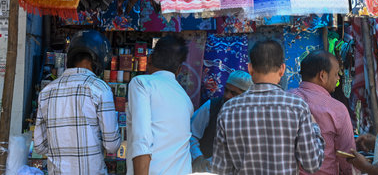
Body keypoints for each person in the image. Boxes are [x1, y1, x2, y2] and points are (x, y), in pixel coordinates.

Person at [212, 39, 325, 174]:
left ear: (250, 68)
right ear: (282, 69)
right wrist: (314, 127)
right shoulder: (297, 107)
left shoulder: (228, 109)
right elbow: (311, 164)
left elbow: (220, 169)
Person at [34, 30, 121, 175]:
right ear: (98, 59)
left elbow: (39, 146)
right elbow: (112, 146)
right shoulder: (100, 89)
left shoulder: (46, 91)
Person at [126, 35, 193, 175]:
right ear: (179, 69)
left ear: (149, 59)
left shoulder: (142, 84)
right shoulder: (186, 99)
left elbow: (142, 140)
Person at [290, 50, 357, 175]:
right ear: (322, 76)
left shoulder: (285, 99)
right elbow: (347, 156)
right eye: (336, 74)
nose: (338, 78)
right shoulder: (337, 109)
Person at [190, 70, 253, 172]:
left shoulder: (251, 116)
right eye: (226, 90)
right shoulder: (211, 106)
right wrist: (198, 156)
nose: (227, 96)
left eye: (234, 93)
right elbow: (191, 135)